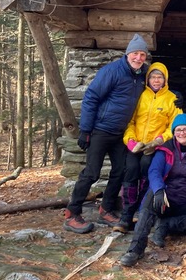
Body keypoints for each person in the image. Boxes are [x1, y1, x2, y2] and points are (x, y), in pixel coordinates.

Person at [63, 33, 149, 234]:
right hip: (100, 130)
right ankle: (72, 213)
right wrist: (85, 130)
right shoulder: (112, 71)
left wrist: (175, 98)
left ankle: (106, 208)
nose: (138, 58)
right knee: (92, 172)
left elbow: (157, 87)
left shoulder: (142, 74)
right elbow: (91, 97)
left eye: (142, 54)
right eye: (135, 53)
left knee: (121, 170)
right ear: (128, 54)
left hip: (120, 133)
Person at [119, 114, 186, 267]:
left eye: (185, 129)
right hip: (165, 199)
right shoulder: (165, 149)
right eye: (178, 130)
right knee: (149, 199)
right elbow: (154, 171)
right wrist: (159, 190)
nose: (182, 133)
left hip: (185, 201)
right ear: (174, 132)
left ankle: (166, 225)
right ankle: (135, 249)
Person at [114, 62, 183, 233]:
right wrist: (131, 142)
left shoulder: (171, 99)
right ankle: (126, 215)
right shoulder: (140, 96)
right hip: (136, 144)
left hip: (155, 146)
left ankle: (140, 211)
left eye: (160, 77)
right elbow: (130, 121)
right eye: (153, 76)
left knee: (147, 168)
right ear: (148, 78)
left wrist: (159, 140)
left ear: (165, 79)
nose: (156, 80)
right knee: (130, 169)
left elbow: (174, 126)